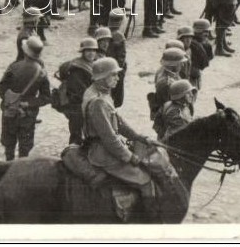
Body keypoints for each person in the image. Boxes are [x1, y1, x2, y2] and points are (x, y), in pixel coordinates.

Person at [81, 57, 154, 190]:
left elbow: (118, 122)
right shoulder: (98, 102)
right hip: (102, 153)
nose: (117, 78)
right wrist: (129, 156)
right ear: (103, 77)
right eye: (113, 75)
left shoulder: (100, 92)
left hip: (104, 147)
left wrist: (137, 136)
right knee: (145, 181)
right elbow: (109, 137)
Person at [0, 36, 51, 160]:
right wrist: (28, 103)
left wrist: (12, 99)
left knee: (9, 146)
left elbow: (0, 89)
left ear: (25, 51)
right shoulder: (41, 73)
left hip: (10, 111)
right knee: (24, 149)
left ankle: (8, 170)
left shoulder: (13, 67)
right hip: (28, 115)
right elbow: (46, 97)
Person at [58, 37, 98, 145]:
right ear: (83, 52)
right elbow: (80, 92)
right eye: (88, 51)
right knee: (76, 136)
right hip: (76, 107)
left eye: (94, 50)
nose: (91, 53)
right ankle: (72, 157)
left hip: (86, 104)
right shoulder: (78, 69)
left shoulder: (91, 64)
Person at [150, 47, 185, 139]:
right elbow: (171, 105)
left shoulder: (166, 73)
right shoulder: (167, 83)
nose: (182, 65)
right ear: (173, 64)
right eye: (180, 63)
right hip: (168, 121)